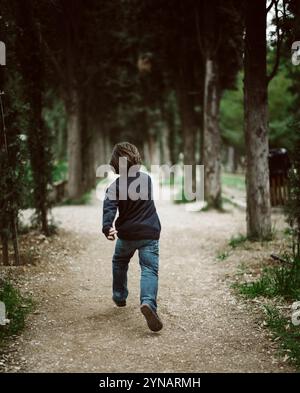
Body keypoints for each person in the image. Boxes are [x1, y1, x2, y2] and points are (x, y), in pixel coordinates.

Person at [102, 142, 163, 332]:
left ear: (114, 164)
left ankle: (120, 296)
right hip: (149, 233)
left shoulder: (114, 187)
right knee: (149, 269)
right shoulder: (146, 180)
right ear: (136, 159)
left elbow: (109, 208)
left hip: (127, 235)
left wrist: (107, 227)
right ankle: (148, 303)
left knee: (119, 262)